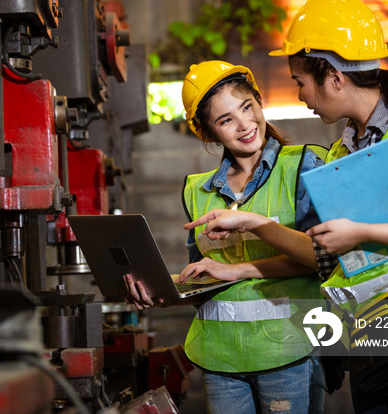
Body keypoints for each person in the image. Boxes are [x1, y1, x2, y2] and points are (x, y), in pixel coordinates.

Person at [194, 0, 388, 413]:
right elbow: (324, 257)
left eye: (300, 81)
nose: (301, 93)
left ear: (334, 76)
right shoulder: (341, 155)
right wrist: (254, 223)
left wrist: (361, 232)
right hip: (376, 332)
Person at [125, 60, 328, 414]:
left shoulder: (304, 166)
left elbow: (318, 260)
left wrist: (242, 264)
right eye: (226, 120)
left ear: (259, 101)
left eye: (246, 107)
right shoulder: (196, 191)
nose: (245, 124)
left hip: (289, 350)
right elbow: (204, 285)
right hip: (221, 361)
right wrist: (160, 290)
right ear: (208, 133)